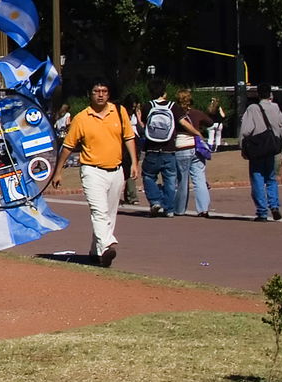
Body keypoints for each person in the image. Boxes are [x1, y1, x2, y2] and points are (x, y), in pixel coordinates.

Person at [51, 81, 136, 268]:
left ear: (109, 94)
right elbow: (67, 147)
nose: (100, 95)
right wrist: (58, 171)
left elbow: (129, 138)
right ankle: (106, 246)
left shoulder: (119, 112)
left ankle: (96, 252)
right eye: (96, 91)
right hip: (92, 170)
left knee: (110, 214)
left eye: (104, 91)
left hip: (116, 169)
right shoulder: (82, 118)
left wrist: (134, 163)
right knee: (99, 211)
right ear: (90, 94)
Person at [137, 80, 190, 218]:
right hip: (169, 149)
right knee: (170, 180)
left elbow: (143, 124)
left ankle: (155, 201)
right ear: (164, 92)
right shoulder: (173, 106)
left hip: (152, 149)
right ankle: (169, 209)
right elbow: (183, 123)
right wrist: (197, 133)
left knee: (148, 176)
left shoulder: (147, 106)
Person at [238, 84, 282, 221]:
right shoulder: (275, 108)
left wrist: (242, 147)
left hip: (257, 148)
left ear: (258, 95)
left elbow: (246, 130)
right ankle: (274, 205)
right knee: (271, 178)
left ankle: (262, 212)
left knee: (257, 179)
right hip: (272, 148)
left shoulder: (253, 108)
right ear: (270, 94)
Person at [173, 89, 216, 217]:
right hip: (197, 148)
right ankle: (203, 209)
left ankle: (180, 209)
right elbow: (210, 122)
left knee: (182, 180)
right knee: (200, 179)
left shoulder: (175, 114)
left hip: (181, 147)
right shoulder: (197, 113)